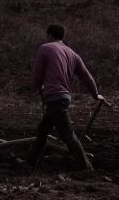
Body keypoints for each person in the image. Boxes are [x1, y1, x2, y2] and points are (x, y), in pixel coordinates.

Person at [25, 24, 105, 171]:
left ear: (49, 35)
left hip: (54, 97)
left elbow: (36, 76)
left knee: (67, 134)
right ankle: (30, 162)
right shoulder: (72, 53)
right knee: (43, 130)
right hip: (64, 97)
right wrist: (96, 95)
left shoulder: (45, 48)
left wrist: (40, 90)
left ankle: (86, 167)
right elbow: (87, 77)